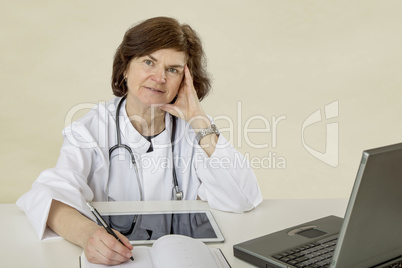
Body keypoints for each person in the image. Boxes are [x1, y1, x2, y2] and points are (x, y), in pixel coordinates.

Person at [17, 16, 262, 265]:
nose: (159, 78)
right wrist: (88, 234)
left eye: (173, 70)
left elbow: (242, 197)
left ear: (185, 81)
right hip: (119, 260)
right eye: (148, 62)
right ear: (125, 67)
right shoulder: (92, 128)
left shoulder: (195, 131)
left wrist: (198, 118)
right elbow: (48, 196)